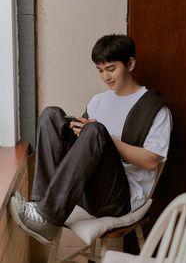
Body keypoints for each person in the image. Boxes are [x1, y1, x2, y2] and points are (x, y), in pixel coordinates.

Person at [9, 33, 172, 245]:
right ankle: (42, 209)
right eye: (100, 71)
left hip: (119, 198)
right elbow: (83, 152)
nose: (106, 77)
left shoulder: (155, 109)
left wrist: (107, 138)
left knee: (94, 130)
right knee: (51, 114)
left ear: (130, 64)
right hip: (85, 189)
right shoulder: (98, 101)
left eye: (111, 68)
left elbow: (151, 161)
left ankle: (47, 213)